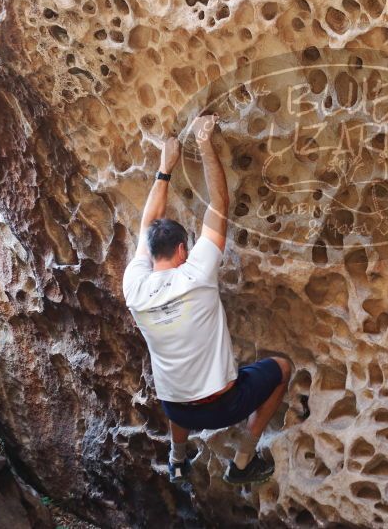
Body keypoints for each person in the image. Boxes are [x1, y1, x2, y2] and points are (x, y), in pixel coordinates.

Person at [122, 114, 291, 485]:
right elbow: (219, 203)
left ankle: (178, 457)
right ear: (184, 249)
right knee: (281, 369)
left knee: (174, 384)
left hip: (177, 409)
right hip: (223, 406)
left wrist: (164, 167)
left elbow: (147, 222)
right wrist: (204, 142)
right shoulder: (195, 273)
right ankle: (244, 459)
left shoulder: (134, 286)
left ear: (151, 254)